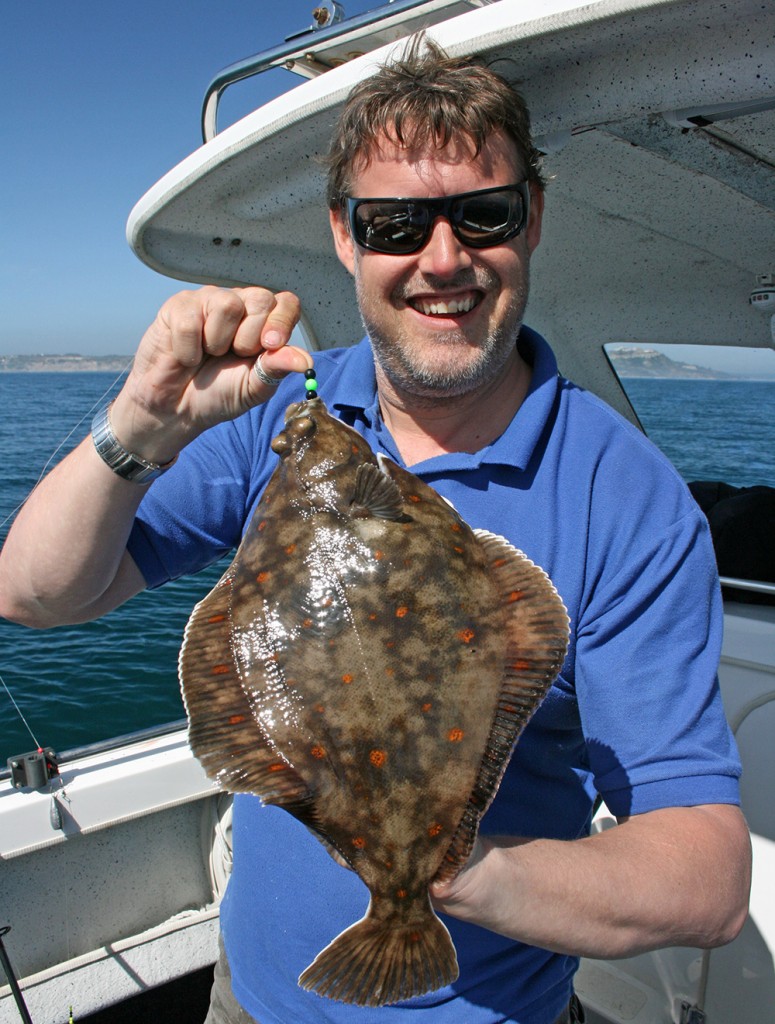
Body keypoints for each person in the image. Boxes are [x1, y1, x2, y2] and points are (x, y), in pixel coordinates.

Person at [0, 38, 751, 1024]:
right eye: (395, 223)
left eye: (482, 215)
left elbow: (706, 872)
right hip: (253, 1000)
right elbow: (33, 593)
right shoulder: (281, 415)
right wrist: (141, 424)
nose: (443, 259)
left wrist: (442, 870)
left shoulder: (628, 500)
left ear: (531, 221)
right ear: (346, 238)